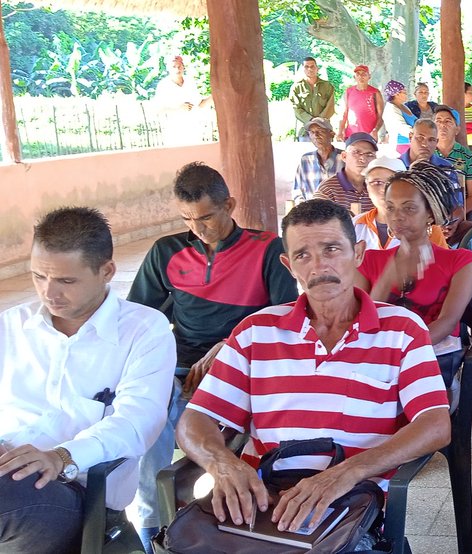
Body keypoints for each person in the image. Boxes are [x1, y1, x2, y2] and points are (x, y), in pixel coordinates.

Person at [176, 199, 451, 546]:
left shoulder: (401, 330)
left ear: (359, 254)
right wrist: (223, 464)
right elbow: (195, 419)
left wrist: (344, 474)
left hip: (348, 503)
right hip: (263, 501)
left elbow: (435, 424)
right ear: (289, 266)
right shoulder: (255, 331)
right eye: (303, 255)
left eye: (332, 249)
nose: (319, 266)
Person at [127, 164, 299, 547]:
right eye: (187, 218)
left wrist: (229, 345)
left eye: (205, 217)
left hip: (240, 368)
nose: (196, 228)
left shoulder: (267, 248)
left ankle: (184, 520)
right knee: (147, 418)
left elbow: (285, 315)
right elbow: (137, 318)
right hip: (179, 367)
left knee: (177, 420)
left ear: (230, 205)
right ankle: (153, 528)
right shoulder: (166, 252)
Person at [0, 207, 174, 553]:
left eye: (66, 281)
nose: (49, 293)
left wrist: (60, 456)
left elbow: (138, 423)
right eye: (38, 276)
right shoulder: (11, 325)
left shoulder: (143, 330)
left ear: (107, 271)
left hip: (76, 493)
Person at [355, 163, 472, 383]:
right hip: (376, 359)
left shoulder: (460, 261)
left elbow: (448, 322)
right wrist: (386, 280)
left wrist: (402, 353)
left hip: (433, 359)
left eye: (409, 208)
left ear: (430, 214)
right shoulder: (370, 260)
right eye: (391, 208)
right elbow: (361, 324)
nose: (397, 216)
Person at [433, 106, 472, 215]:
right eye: (438, 121)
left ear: (457, 129)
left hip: (459, 211)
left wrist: (458, 214)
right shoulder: (426, 154)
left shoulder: (469, 157)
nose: (442, 125)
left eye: (448, 122)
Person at [353, 156, 409, 251]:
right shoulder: (355, 225)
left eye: (392, 183)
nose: (384, 189)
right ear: (367, 187)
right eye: (377, 183)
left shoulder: (425, 227)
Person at [314, 132, 377, 212]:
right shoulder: (328, 190)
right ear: (344, 156)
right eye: (356, 152)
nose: (363, 159)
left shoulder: (377, 186)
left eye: (369, 154)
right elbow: (315, 221)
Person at [291, 117, 344, 202]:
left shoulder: (344, 158)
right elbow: (297, 191)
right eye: (312, 132)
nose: (315, 135)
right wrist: (304, 209)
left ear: (331, 134)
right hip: (311, 212)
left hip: (339, 212)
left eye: (320, 131)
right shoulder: (306, 160)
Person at [288, 57, 336, 141]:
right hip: (305, 131)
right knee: (306, 153)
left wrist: (319, 121)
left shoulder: (327, 86)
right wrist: (310, 120)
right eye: (306, 66)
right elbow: (296, 108)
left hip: (324, 129)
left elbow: (330, 107)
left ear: (317, 68)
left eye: (312, 66)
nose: (310, 69)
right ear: (303, 69)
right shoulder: (296, 87)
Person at [337, 65, 384, 141]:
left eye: (364, 74)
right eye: (358, 74)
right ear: (354, 77)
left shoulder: (375, 93)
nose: (360, 77)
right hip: (351, 135)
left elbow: (381, 116)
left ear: (369, 77)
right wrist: (340, 132)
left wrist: (375, 130)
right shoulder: (349, 91)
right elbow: (344, 113)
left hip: (369, 136)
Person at [381, 80, 416, 148]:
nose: (406, 94)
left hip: (412, 144)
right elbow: (402, 128)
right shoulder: (390, 110)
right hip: (401, 145)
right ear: (396, 94)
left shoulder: (403, 106)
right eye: (404, 92)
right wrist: (420, 134)